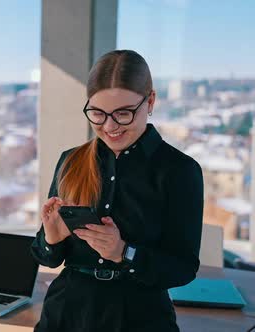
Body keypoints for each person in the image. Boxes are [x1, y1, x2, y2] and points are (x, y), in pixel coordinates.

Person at [31, 50, 203, 331]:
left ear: (150, 102)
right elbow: (46, 256)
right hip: (65, 315)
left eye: (123, 113)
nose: (110, 126)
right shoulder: (70, 161)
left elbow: (183, 268)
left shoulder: (180, 171)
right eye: (98, 113)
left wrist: (124, 252)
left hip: (140, 318)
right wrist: (51, 237)